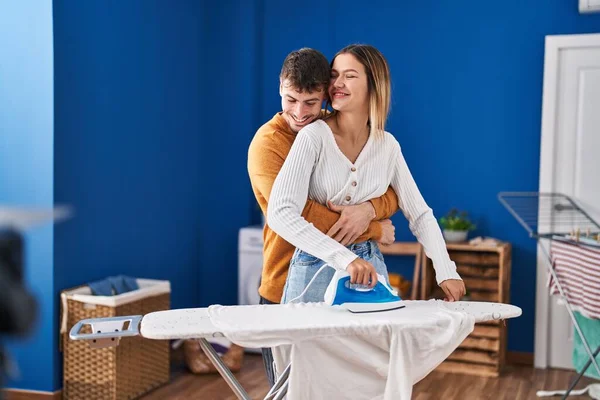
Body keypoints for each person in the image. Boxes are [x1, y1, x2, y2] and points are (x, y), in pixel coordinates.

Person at [267, 44, 466, 307]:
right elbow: (280, 213)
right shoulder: (313, 137)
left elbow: (419, 214)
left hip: (370, 264)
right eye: (334, 75)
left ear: (374, 84)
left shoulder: (388, 146)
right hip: (314, 266)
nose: (337, 83)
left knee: (373, 347)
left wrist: (446, 270)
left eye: (349, 76)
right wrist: (345, 258)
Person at [247, 48, 400, 386]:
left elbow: (391, 191)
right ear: (279, 89)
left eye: (311, 103)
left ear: (326, 98)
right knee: (290, 392)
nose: (300, 113)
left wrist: (369, 210)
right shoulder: (268, 143)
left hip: (342, 287)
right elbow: (299, 213)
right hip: (284, 282)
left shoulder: (337, 132)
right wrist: (374, 229)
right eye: (291, 100)